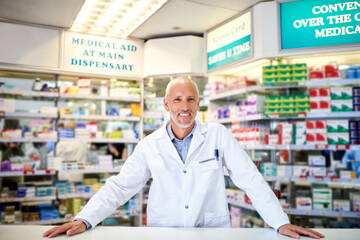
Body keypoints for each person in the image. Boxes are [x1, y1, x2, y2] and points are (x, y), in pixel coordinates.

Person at [43, 77, 324, 239]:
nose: (184, 107)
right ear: (166, 104)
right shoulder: (149, 145)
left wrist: (279, 221)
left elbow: (250, 178)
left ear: (198, 103)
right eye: (177, 100)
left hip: (211, 231)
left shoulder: (218, 135)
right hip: (164, 231)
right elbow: (120, 187)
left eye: (190, 99)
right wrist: (85, 219)